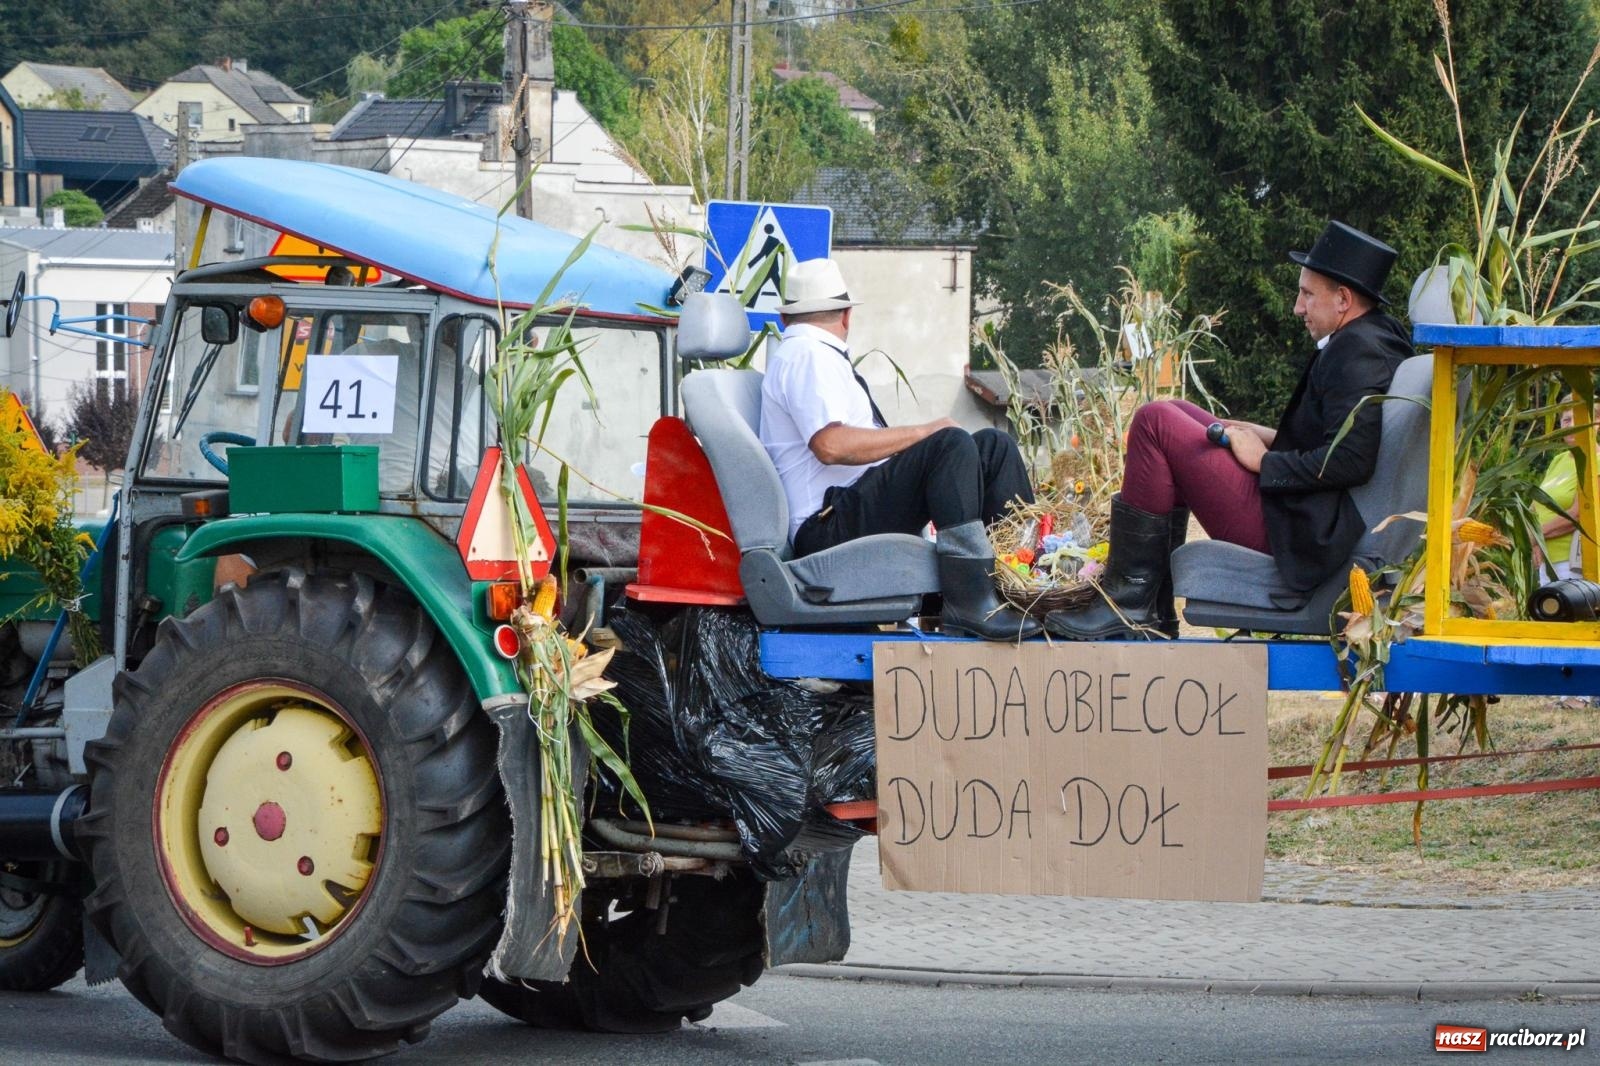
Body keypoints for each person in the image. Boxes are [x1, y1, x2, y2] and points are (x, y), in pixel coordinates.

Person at [1046, 220, 1415, 640]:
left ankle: (1129, 605)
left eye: (1308, 294)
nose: (1297, 307)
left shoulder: (1358, 353)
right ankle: (1150, 609)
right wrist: (1267, 435)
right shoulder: (1375, 338)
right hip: (1310, 514)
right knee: (1177, 409)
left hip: (1303, 534)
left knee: (1154, 422)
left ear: (1344, 299)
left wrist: (1265, 462)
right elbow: (1340, 441)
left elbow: (1351, 460)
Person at [758, 258, 1042, 641]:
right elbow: (829, 445)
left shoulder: (806, 353)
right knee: (948, 443)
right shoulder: (807, 355)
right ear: (846, 316)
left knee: (993, 447)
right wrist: (925, 432)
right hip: (827, 525)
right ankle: (969, 601)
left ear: (786, 317)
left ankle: (1019, 580)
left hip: (845, 509)